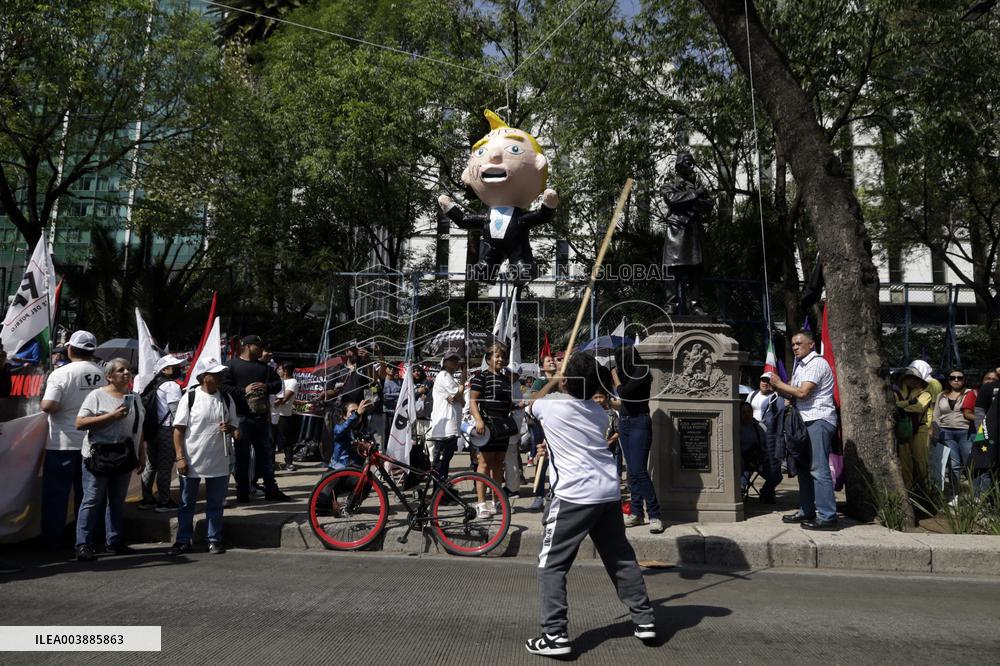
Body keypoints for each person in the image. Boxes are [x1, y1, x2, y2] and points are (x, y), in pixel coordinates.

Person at [525, 352, 655, 657]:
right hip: (607, 492)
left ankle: (554, 635)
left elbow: (530, 405)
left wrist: (553, 382)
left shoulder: (549, 406)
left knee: (551, 565)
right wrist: (565, 381)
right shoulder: (597, 413)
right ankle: (644, 619)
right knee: (620, 558)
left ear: (567, 381)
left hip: (573, 495)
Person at [73, 358, 146, 562]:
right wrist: (111, 417)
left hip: (123, 455)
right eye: (121, 370)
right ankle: (83, 544)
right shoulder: (96, 396)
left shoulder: (135, 397)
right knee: (92, 500)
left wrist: (141, 453)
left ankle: (114, 541)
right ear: (109, 376)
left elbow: (138, 427)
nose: (126, 373)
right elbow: (80, 423)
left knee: (116, 501)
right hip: (99, 457)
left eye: (128, 370)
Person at [39, 330, 105, 549]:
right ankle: (85, 539)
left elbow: (49, 406)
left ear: (70, 349)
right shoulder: (103, 373)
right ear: (92, 350)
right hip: (93, 443)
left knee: (56, 495)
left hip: (62, 443)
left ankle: (52, 540)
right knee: (88, 496)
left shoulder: (60, 374)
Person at [167, 364, 240, 556]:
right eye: (216, 373)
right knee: (186, 504)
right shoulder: (190, 397)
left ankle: (214, 539)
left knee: (215, 504)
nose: (220, 376)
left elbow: (237, 430)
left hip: (219, 461)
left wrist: (230, 428)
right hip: (192, 460)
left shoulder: (226, 398)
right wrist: (180, 457)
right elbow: (178, 430)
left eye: (220, 373)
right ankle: (183, 540)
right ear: (204, 376)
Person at [770, 330, 839, 530]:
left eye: (799, 343)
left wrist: (780, 383)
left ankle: (827, 516)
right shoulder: (800, 366)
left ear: (812, 345)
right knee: (803, 469)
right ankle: (806, 510)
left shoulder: (816, 363)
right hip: (803, 420)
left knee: (818, 469)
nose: (795, 347)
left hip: (818, 419)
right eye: (793, 344)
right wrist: (776, 387)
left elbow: (802, 392)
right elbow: (792, 391)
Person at [219, 335, 290, 503]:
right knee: (242, 458)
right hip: (240, 419)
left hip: (261, 419)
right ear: (248, 346)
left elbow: (278, 385)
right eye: (258, 346)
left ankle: (271, 490)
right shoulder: (231, 366)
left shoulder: (264, 368)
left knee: (266, 456)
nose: (261, 349)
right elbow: (223, 388)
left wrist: (266, 387)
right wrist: (244, 390)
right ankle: (242, 492)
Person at [612, 346, 664, 534]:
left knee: (640, 470)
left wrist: (615, 377)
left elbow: (624, 393)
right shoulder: (626, 373)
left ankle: (655, 514)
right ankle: (636, 512)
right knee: (632, 472)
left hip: (639, 422)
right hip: (625, 422)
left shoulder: (641, 370)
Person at [660, 151, 714, 316]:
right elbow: (673, 200)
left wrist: (694, 198)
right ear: (679, 166)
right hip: (676, 232)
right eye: (687, 163)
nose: (691, 166)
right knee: (671, 269)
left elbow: (709, 204)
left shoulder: (697, 186)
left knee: (696, 269)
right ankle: (671, 304)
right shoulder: (669, 185)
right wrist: (696, 195)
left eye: (692, 163)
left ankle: (696, 305)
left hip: (693, 232)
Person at [469, 343, 515, 519]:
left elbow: (508, 404)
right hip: (486, 426)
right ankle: (481, 502)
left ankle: (496, 501)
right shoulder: (481, 377)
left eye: (502, 356)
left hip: (502, 427)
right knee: (484, 464)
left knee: (498, 463)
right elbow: (473, 401)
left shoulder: (506, 380)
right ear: (488, 359)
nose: (500, 359)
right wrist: (479, 420)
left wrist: (519, 406)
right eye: (496, 356)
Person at [138, 355, 184, 512]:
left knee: (151, 466)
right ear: (165, 370)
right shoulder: (171, 386)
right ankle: (164, 502)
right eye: (175, 366)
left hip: (152, 430)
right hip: (167, 430)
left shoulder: (154, 384)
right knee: (164, 467)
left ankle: (147, 499)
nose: (180, 368)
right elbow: (176, 412)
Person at [933, 368, 974, 500]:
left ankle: (975, 493)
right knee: (953, 464)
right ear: (948, 380)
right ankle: (954, 494)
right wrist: (934, 431)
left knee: (970, 462)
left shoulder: (970, 393)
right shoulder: (941, 395)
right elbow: (936, 415)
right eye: (952, 377)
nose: (956, 380)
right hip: (946, 432)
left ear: (964, 380)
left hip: (966, 432)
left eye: (959, 377)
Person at [894, 364, 934, 491]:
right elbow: (893, 406)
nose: (912, 380)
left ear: (920, 380)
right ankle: (908, 490)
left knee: (921, 461)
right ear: (904, 379)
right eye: (909, 377)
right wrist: (909, 402)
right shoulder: (898, 393)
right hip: (903, 431)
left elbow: (918, 407)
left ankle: (926, 490)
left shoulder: (926, 393)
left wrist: (902, 405)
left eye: (915, 378)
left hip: (920, 430)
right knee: (905, 463)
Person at [427, 350, 464, 480]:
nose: (454, 362)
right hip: (444, 428)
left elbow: (461, 400)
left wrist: (459, 396)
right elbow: (458, 396)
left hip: (450, 426)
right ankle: (439, 493)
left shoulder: (450, 377)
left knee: (444, 461)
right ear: (444, 362)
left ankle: (442, 492)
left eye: (456, 360)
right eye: (451, 360)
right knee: (440, 463)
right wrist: (462, 383)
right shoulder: (444, 375)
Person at [330, 399, 374, 470]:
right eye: (352, 412)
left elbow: (373, 448)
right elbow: (342, 429)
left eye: (358, 410)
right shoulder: (338, 428)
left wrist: (367, 446)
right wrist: (356, 414)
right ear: (344, 416)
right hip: (338, 470)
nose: (357, 413)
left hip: (356, 470)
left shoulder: (364, 430)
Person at [275, 362, 299, 471]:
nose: (277, 371)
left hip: (284, 415)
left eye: (279, 369)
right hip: (274, 414)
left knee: (286, 440)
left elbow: (284, 400)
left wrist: (270, 403)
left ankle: (289, 462)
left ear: (285, 371)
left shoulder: (292, 382)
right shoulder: (278, 381)